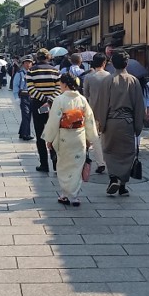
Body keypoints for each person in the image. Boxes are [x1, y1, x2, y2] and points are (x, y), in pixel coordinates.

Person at [95, 49, 146, 196]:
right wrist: (138, 126)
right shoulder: (134, 81)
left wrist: (102, 124)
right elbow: (139, 106)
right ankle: (122, 185)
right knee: (126, 154)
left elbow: (102, 104)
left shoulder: (108, 80)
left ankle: (113, 178)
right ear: (127, 63)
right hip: (128, 122)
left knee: (109, 151)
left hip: (111, 122)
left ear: (112, 63)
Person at [43, 73, 99, 206]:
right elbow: (89, 120)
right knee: (76, 166)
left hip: (64, 137)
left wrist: (49, 139)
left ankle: (65, 194)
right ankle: (73, 196)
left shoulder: (60, 99)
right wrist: (90, 138)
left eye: (61, 84)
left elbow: (53, 121)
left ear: (65, 84)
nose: (60, 86)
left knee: (63, 166)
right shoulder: (82, 99)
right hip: (79, 135)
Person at [27, 48, 61, 172]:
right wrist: (49, 100)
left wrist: (43, 99)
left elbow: (31, 90)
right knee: (54, 132)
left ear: (37, 58)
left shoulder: (31, 71)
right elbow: (59, 89)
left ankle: (44, 164)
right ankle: (55, 160)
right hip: (53, 106)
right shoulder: (55, 70)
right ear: (48, 57)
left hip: (37, 105)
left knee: (40, 134)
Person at [81, 53, 110, 174]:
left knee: (94, 137)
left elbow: (85, 94)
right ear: (104, 63)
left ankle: (100, 162)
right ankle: (107, 161)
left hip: (92, 110)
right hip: (108, 110)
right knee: (105, 136)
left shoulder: (89, 77)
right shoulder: (110, 76)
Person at [12, 56, 34, 140]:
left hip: (31, 96)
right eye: (26, 63)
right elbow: (15, 86)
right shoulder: (20, 73)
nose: (28, 64)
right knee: (26, 115)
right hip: (23, 96)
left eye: (30, 63)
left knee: (28, 115)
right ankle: (26, 134)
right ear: (23, 64)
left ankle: (22, 132)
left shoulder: (32, 73)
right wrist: (16, 98)